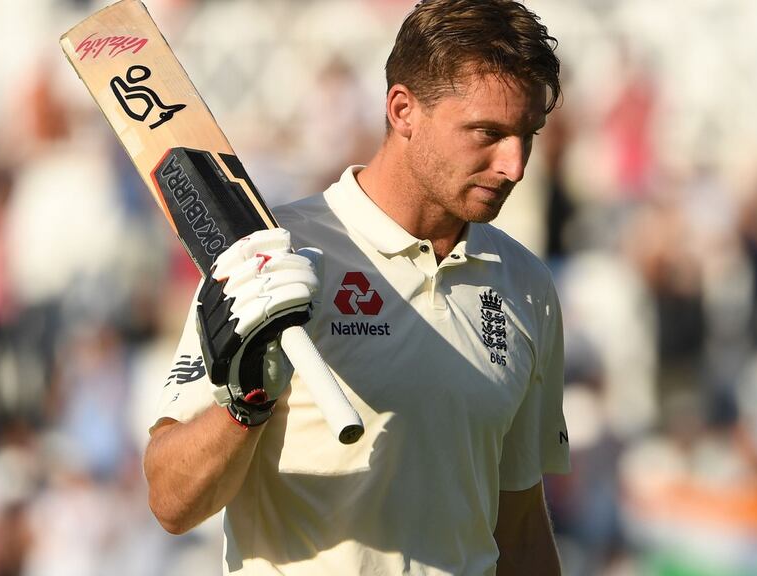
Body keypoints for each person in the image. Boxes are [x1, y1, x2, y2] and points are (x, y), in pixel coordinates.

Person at [143, 1, 570, 574]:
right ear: (402, 110)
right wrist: (244, 405)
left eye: (528, 134)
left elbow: (519, 525)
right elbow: (171, 501)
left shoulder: (527, 285)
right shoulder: (271, 256)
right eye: (487, 133)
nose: (514, 165)